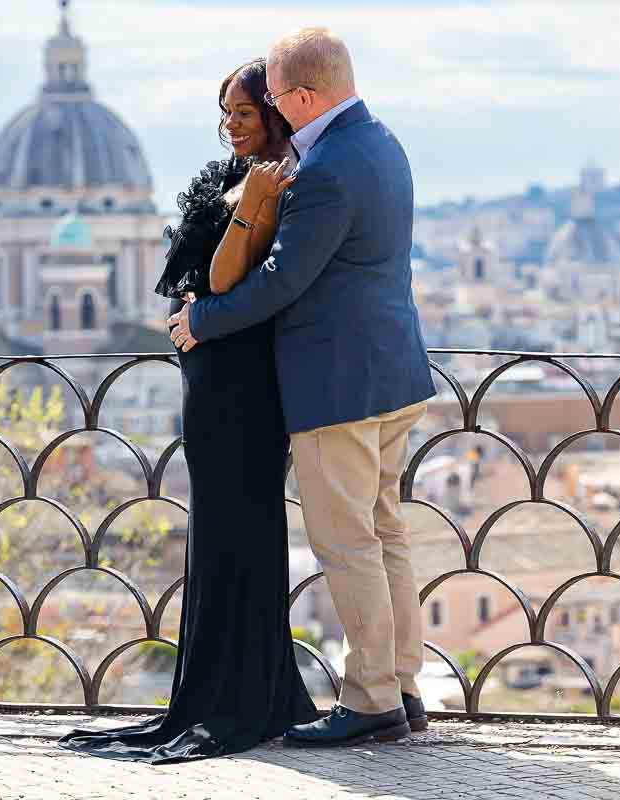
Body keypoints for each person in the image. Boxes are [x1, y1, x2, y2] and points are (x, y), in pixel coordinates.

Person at [167, 27, 437, 747]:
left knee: (348, 544)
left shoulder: (325, 169)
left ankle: (372, 698)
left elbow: (285, 278)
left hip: (339, 385)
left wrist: (204, 319)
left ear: (304, 95)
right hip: (394, 371)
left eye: (280, 99)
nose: (278, 114)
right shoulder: (382, 143)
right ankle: (403, 686)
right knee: (386, 536)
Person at [59, 58, 318, 764]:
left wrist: (245, 217)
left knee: (245, 530)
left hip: (243, 384)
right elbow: (181, 278)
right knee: (218, 535)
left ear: (276, 114)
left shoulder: (281, 181)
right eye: (225, 113)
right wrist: (197, 306)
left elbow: (223, 280)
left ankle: (243, 695)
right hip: (207, 383)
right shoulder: (223, 175)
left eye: (245, 113)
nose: (232, 125)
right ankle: (213, 690)